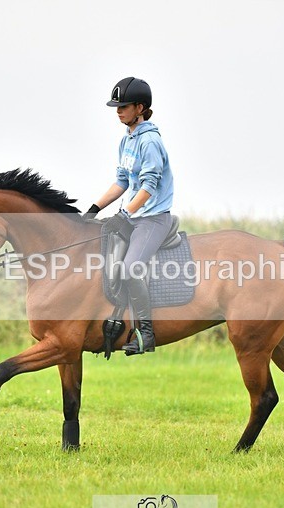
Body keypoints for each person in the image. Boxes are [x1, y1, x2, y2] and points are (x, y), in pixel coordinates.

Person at [83, 76, 175, 355]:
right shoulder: (127, 141)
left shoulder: (150, 142)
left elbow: (149, 186)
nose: (118, 111)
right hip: (134, 217)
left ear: (140, 107)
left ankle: (146, 334)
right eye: (116, 106)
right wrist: (95, 208)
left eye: (123, 106)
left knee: (131, 268)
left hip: (153, 219)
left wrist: (124, 213)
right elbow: (122, 182)